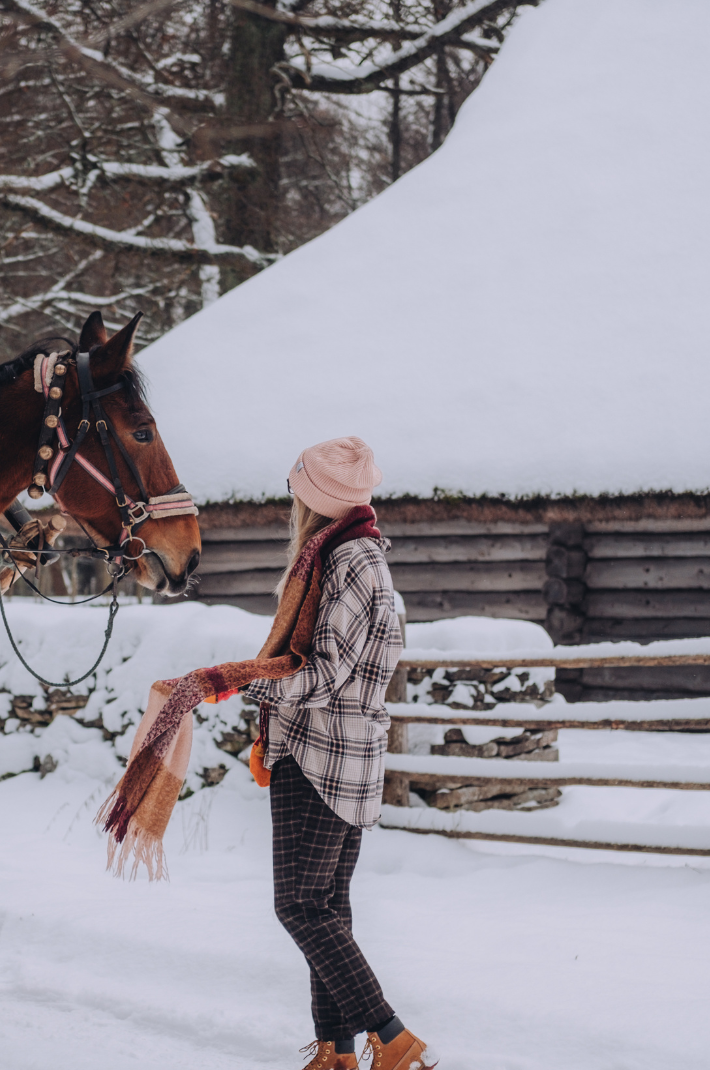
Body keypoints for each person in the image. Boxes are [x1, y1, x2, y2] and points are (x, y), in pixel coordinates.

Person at [240, 438, 434, 1070]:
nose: (293, 501)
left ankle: (394, 1037)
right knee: (327, 908)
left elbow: (325, 675)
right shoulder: (341, 556)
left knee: (297, 905)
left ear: (315, 498)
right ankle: (337, 1053)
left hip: (324, 756)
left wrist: (250, 678)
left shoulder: (350, 561)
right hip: (337, 755)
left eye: (298, 489)